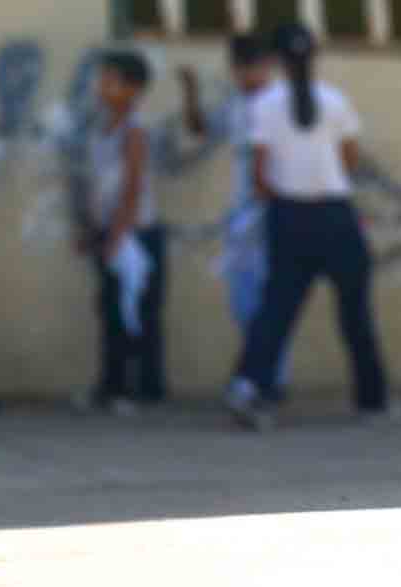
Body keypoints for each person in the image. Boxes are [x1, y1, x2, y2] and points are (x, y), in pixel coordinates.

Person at [227, 23, 388, 428]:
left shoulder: (263, 104)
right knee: (355, 315)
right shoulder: (335, 101)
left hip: (288, 217)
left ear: (278, 60)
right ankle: (373, 402)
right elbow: (349, 161)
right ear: (315, 55)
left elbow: (260, 175)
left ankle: (251, 389)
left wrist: (284, 194)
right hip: (336, 216)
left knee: (276, 311)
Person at [184, 34, 284, 403]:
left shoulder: (281, 104)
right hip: (244, 212)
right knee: (244, 300)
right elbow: (201, 129)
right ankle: (259, 373)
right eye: (240, 68)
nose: (247, 75)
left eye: (253, 67)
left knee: (272, 300)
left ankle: (266, 377)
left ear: (268, 67)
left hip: (275, 209)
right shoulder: (237, 105)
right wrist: (191, 92)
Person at [78, 49, 166, 412]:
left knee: (136, 312)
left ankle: (140, 388)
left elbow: (132, 185)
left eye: (111, 80)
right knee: (110, 309)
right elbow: (99, 183)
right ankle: (112, 384)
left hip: (135, 234)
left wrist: (118, 233)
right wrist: (91, 229)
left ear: (134, 89)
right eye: (102, 79)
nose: (101, 86)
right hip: (109, 229)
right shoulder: (102, 127)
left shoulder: (135, 130)